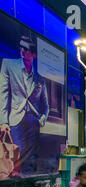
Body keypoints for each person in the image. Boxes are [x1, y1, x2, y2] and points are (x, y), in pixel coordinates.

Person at [0, 35, 50, 176]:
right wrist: (3, 121)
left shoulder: (39, 78)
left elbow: (45, 105)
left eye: (26, 49)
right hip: (16, 119)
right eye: (21, 47)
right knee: (17, 156)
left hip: (33, 121)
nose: (22, 50)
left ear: (33, 53)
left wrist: (42, 119)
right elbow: (3, 94)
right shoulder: (8, 65)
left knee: (32, 158)